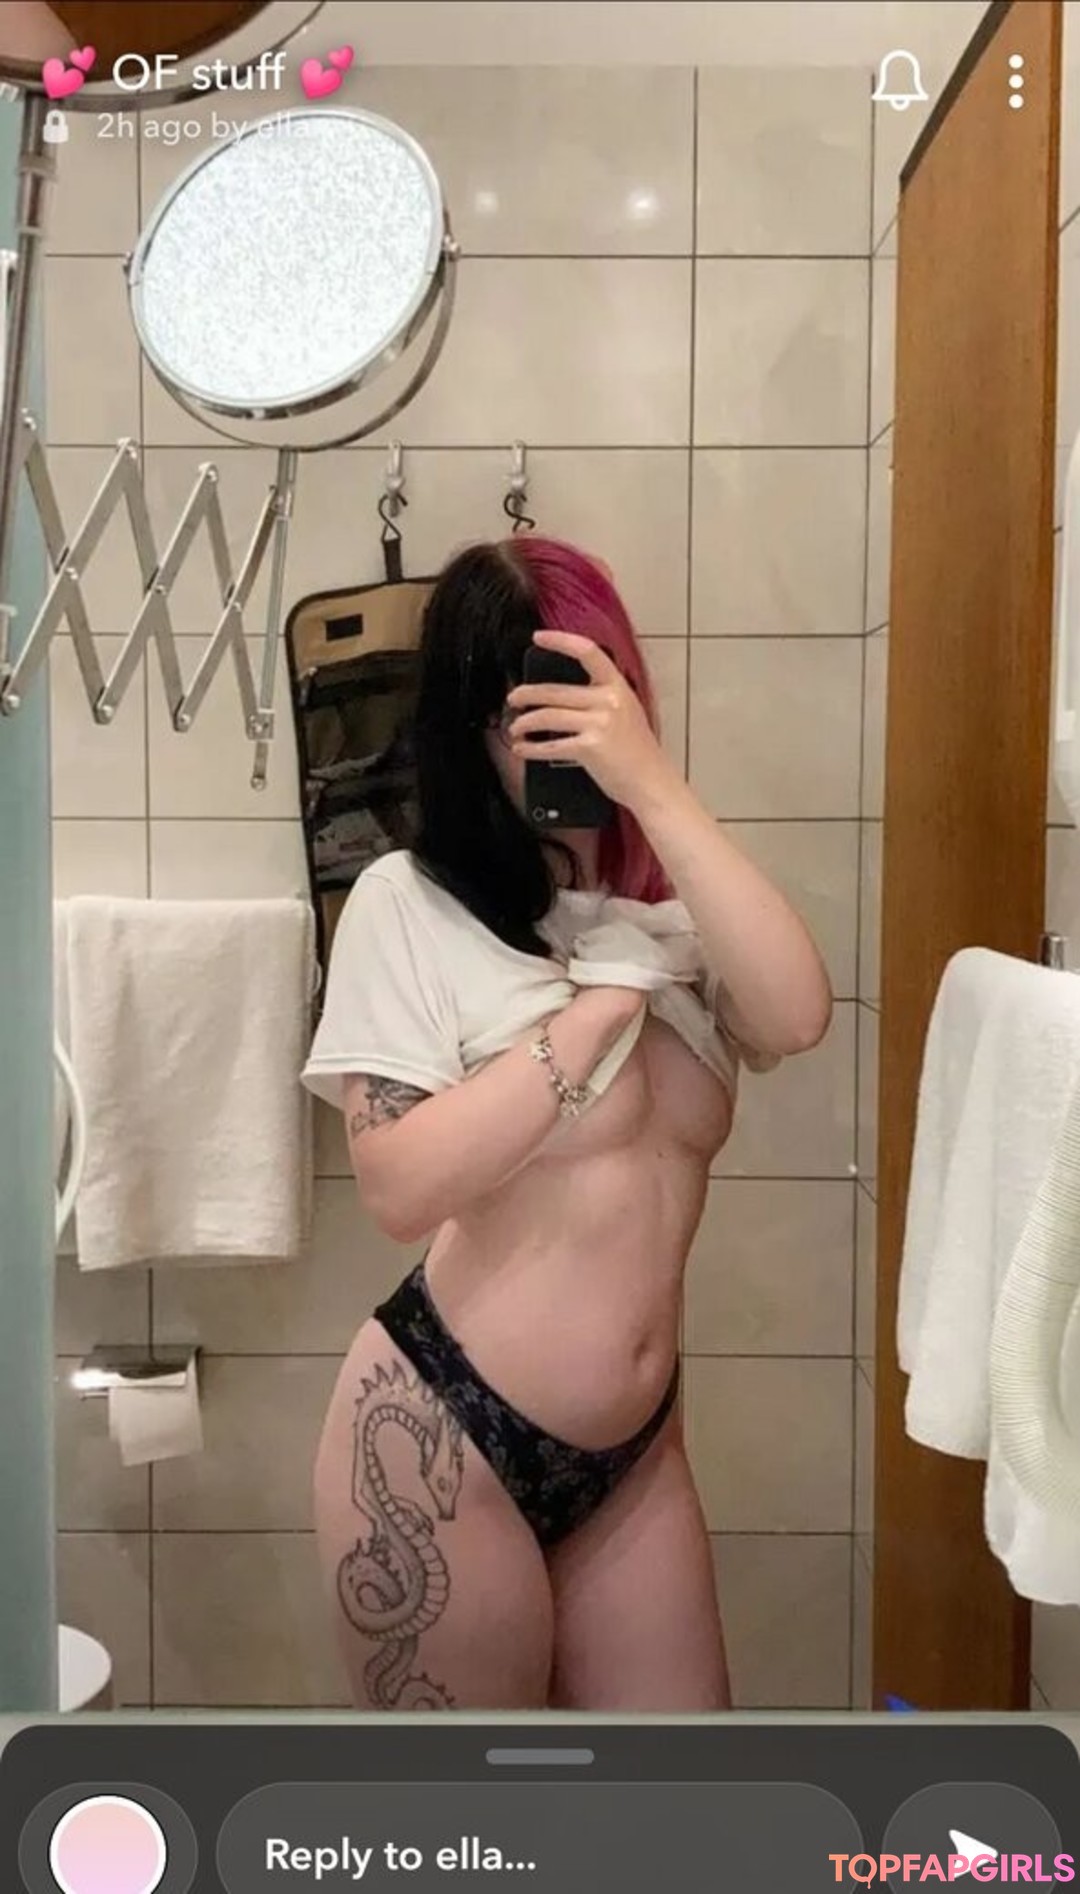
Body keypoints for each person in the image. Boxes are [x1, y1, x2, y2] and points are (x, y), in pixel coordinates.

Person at [301, 535, 832, 1712]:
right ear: (468, 729)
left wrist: (657, 790)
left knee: (677, 1803)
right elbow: (396, 1186)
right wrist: (590, 1022)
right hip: (441, 1438)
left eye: (588, 694)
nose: (555, 740)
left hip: (635, 1457)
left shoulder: (677, 921)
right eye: (520, 715)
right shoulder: (408, 906)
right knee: (483, 1812)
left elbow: (798, 1014)